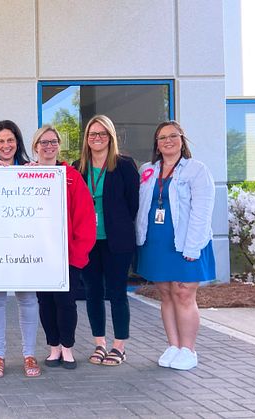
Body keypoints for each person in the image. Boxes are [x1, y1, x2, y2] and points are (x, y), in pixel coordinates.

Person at [136, 121, 216, 371]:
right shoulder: (148, 170)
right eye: (162, 138)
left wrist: (192, 247)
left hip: (185, 241)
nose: (167, 141)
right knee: (166, 293)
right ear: (156, 145)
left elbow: (202, 211)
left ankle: (188, 349)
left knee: (183, 293)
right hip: (157, 241)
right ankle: (173, 345)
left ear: (182, 140)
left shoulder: (196, 170)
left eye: (173, 136)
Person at [74, 115, 139, 366]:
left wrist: (118, 223)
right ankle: (99, 343)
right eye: (92, 134)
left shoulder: (123, 165)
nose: (97, 138)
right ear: (87, 139)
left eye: (102, 134)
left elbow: (133, 204)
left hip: (117, 241)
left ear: (110, 137)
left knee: (117, 293)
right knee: (92, 293)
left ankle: (119, 346)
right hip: (88, 241)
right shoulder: (79, 166)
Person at [31, 125, 96, 370]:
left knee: (66, 302)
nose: (49, 146)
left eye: (53, 141)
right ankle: (53, 347)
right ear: (35, 147)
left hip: (67, 255)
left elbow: (85, 217)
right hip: (38, 256)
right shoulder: (25, 175)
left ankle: (67, 347)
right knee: (45, 302)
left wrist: (78, 255)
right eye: (44, 142)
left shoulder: (71, 176)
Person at [0, 120, 40, 378]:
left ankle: (29, 354)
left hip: (24, 244)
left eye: (10, 140)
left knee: (27, 298)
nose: (6, 146)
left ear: (18, 143)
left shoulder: (30, 169)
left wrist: (39, 176)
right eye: (1, 141)